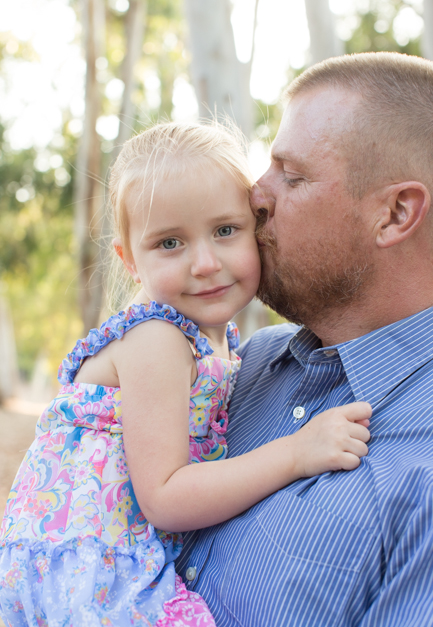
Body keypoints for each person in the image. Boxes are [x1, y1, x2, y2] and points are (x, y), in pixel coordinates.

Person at [0, 122, 371, 626]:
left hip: (117, 555)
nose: (203, 263)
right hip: (91, 567)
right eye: (170, 243)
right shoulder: (157, 338)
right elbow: (166, 497)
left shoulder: (217, 342)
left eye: (224, 230)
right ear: (130, 260)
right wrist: (296, 452)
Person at [177, 52, 433, 626]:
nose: (254, 195)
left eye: (291, 177)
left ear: (394, 213)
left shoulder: (423, 469)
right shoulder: (240, 366)